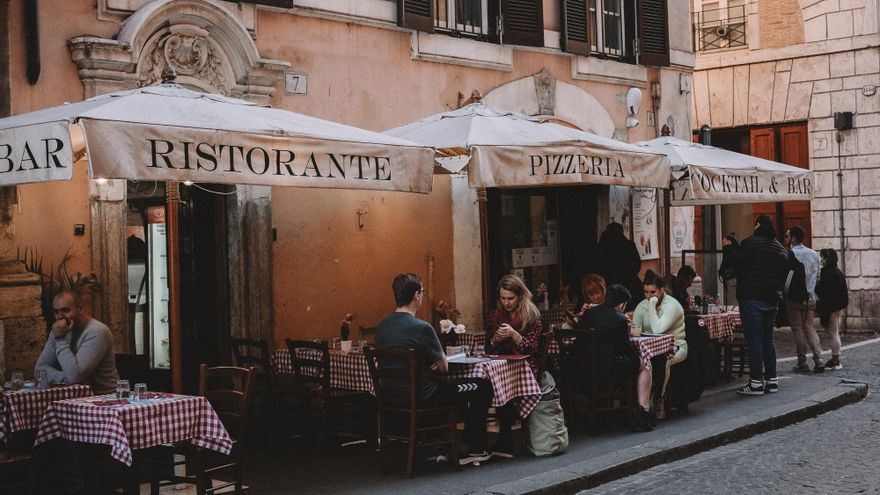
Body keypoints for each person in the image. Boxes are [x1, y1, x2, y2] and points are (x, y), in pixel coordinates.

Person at [375, 273, 493, 466]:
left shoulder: (382, 326)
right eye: (422, 291)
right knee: (481, 386)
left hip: (392, 397)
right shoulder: (422, 328)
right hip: (426, 396)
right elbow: (444, 367)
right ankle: (472, 448)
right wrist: (432, 364)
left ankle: (445, 445)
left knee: (454, 389)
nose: (422, 295)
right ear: (416, 295)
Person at [727, 214, 789, 395]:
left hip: (752, 298)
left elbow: (738, 263)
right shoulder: (779, 247)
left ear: (758, 226)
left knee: (754, 340)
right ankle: (772, 380)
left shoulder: (751, 243)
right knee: (768, 339)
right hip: (772, 299)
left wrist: (730, 248)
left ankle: (755, 383)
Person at [578, 285, 653, 432]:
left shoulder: (588, 314)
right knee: (644, 363)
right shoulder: (618, 319)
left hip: (585, 367)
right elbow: (625, 348)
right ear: (621, 304)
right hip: (608, 370)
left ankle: (625, 407)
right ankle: (643, 411)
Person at [485, 274, 542, 457]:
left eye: (511, 298)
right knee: (481, 387)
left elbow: (531, 348)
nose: (507, 303)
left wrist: (513, 335)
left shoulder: (531, 316)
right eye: (503, 298)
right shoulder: (496, 315)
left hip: (525, 368)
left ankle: (505, 440)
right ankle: (482, 441)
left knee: (505, 385)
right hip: (502, 366)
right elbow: (489, 348)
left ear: (520, 296)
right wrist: (496, 339)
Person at [35, 290, 120, 395]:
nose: (60, 316)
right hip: (74, 398)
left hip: (105, 399)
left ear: (80, 309)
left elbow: (75, 376)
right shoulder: (58, 331)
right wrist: (65, 378)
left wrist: (61, 339)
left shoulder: (97, 331)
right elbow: (39, 370)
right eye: (56, 312)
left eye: (65, 310)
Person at [631, 270, 686, 419]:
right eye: (645, 292)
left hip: (676, 346)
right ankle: (642, 401)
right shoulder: (641, 305)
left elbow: (658, 329)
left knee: (664, 360)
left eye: (652, 292)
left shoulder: (672, 305)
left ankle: (659, 397)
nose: (648, 296)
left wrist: (651, 306)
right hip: (651, 348)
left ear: (661, 290)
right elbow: (635, 331)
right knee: (640, 361)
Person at [784, 226, 824, 373]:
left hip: (794, 298)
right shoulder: (814, 254)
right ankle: (818, 359)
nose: (786, 239)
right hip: (810, 297)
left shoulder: (791, 255)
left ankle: (802, 361)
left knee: (797, 329)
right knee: (809, 327)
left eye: (787, 236)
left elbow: (788, 278)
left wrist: (785, 292)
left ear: (794, 238)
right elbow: (818, 277)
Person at [596, 222, 643, 311]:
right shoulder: (628, 245)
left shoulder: (602, 245)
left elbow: (597, 265)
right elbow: (636, 264)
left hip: (608, 283)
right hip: (629, 283)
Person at [815, 248, 849, 370]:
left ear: (827, 258)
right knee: (834, 333)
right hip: (837, 306)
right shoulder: (837, 271)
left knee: (833, 334)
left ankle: (836, 360)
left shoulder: (827, 273)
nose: (821, 259)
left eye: (822, 257)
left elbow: (825, 294)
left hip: (831, 308)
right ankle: (835, 359)